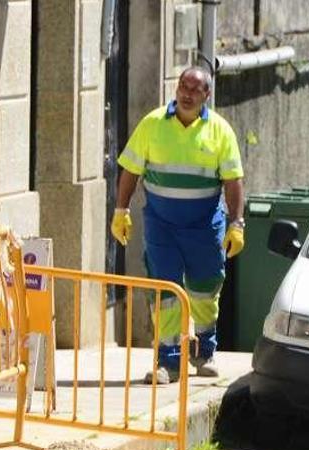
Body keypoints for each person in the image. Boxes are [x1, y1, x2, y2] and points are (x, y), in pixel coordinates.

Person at [112, 66, 245, 384]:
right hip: (162, 225)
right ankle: (167, 362)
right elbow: (130, 170)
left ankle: (203, 354)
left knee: (204, 289)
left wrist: (236, 223)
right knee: (166, 290)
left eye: (194, 89)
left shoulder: (220, 131)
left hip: (204, 225)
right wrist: (121, 209)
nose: (186, 94)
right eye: (182, 86)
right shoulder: (153, 124)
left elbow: (233, 181)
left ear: (206, 95)